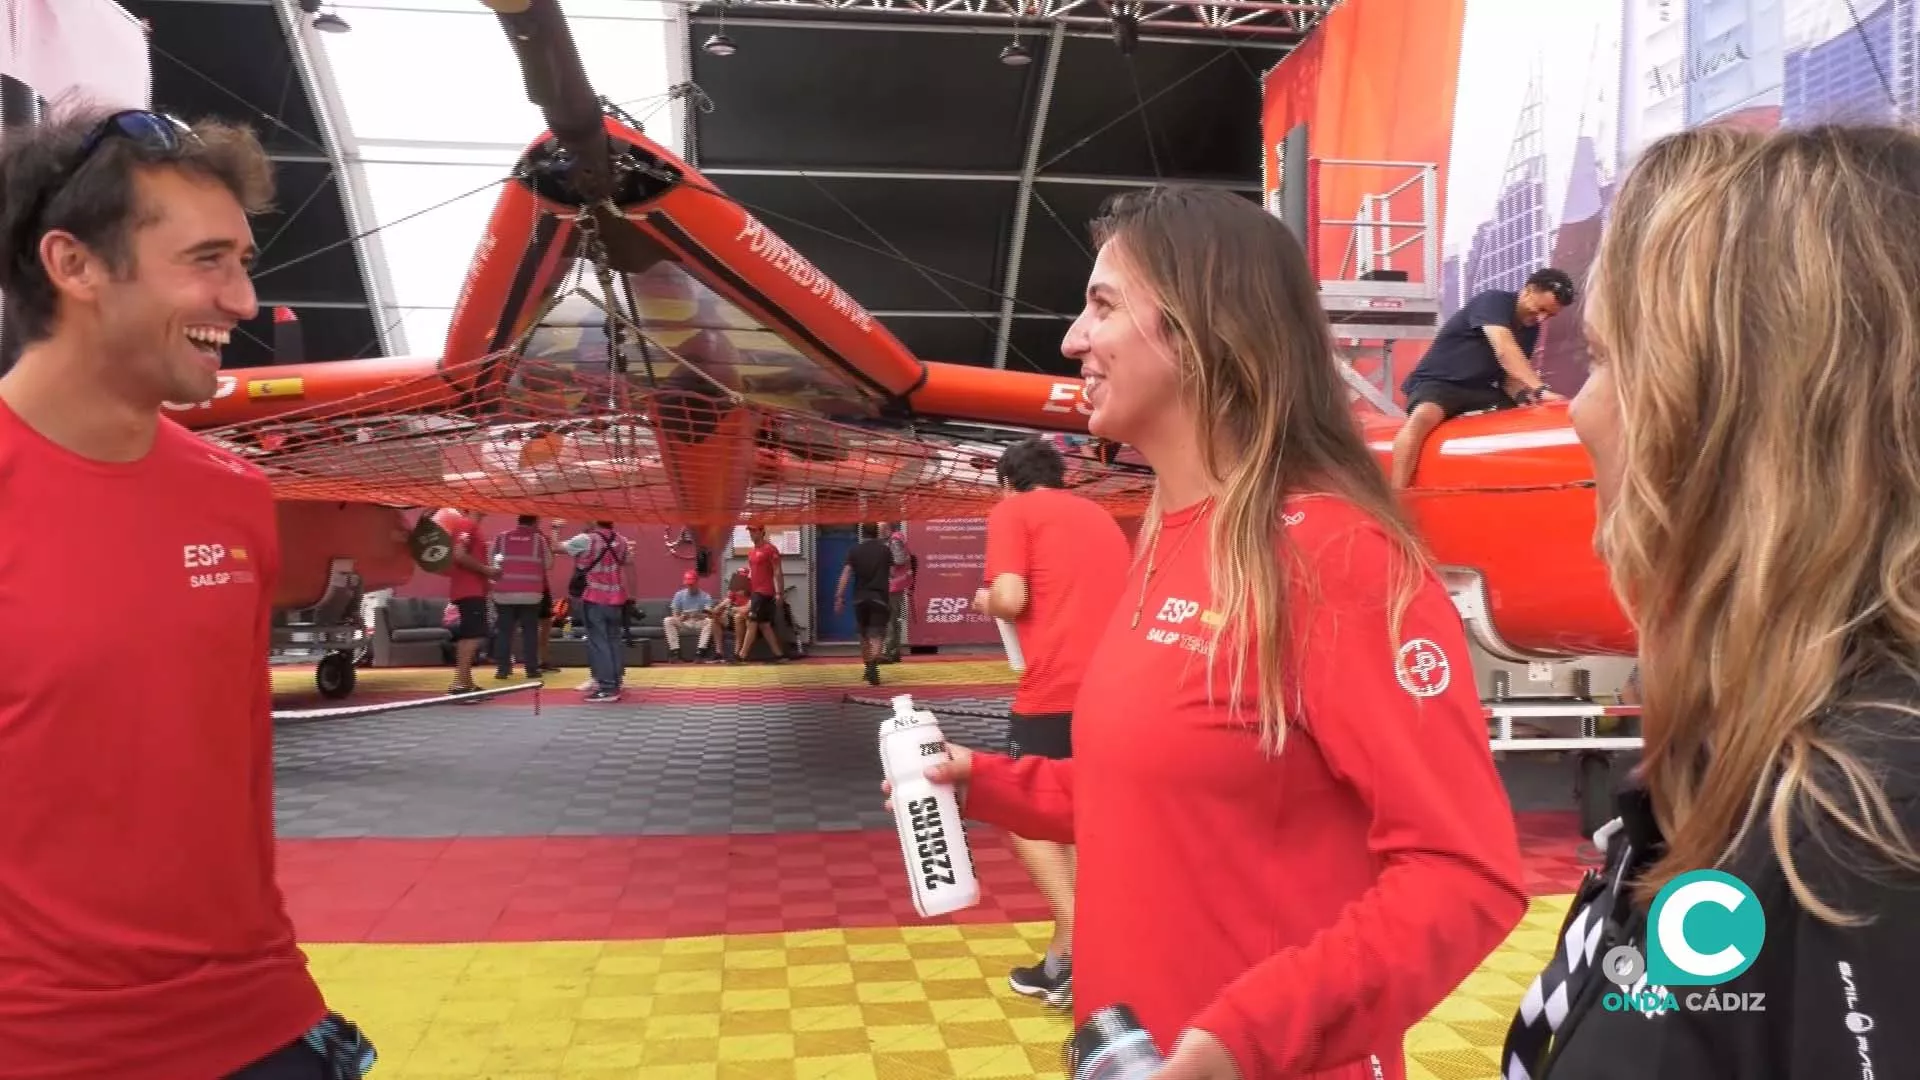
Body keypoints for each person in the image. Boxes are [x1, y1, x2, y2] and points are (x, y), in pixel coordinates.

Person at [888, 186, 1527, 1080]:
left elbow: (1466, 876)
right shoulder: (1164, 534)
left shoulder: (1337, 555)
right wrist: (985, 781)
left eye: (1103, 304)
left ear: (1196, 333)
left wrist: (1240, 1041)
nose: (1072, 339)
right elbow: (1159, 791)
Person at [1499, 123, 1920, 1080]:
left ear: (1739, 412)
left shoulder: (1862, 824)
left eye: (1607, 361)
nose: (1576, 408)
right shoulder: (1755, 765)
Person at [0, 108, 373, 1078]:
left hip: (261, 1025)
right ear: (73, 266)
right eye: (207, 260)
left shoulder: (237, 497)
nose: (243, 300)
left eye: (244, 261)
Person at [969, 434, 1130, 1003]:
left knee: (1026, 809)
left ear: (1007, 481)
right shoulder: (1098, 515)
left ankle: (1078, 943)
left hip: (1055, 686)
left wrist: (984, 599)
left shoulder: (1013, 510)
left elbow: (1010, 598)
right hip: (1119, 688)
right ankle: (1068, 955)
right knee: (1081, 816)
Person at [1390, 267, 1575, 488]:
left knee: (1521, 418)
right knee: (1423, 417)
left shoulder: (1530, 328)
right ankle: (1396, 494)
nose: (1541, 318)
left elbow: (1510, 378)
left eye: (1550, 315)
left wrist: (1526, 398)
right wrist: (1539, 389)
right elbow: (1504, 350)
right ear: (1528, 290)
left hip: (1479, 390)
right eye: (1540, 309)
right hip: (1439, 383)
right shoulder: (1493, 301)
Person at [563, 520, 633, 702]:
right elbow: (630, 564)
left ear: (594, 520)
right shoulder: (622, 541)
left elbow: (557, 547)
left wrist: (555, 529)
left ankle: (607, 688)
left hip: (594, 597)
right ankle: (616, 681)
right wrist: (633, 596)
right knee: (613, 641)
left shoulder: (586, 539)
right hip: (617, 598)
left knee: (598, 642)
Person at [488, 513, 552, 681]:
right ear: (535, 522)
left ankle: (503, 670)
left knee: (504, 632)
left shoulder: (501, 538)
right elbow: (549, 564)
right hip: (531, 594)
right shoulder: (539, 540)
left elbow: (491, 562)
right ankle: (531, 669)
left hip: (503, 593)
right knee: (530, 632)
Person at [835, 522, 896, 685]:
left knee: (863, 636)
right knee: (876, 636)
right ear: (877, 533)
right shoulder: (885, 550)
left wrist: (839, 597)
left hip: (859, 598)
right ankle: (872, 667)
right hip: (879, 598)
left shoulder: (854, 550)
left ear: (863, 533)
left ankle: (868, 666)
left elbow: (846, 573)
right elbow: (892, 573)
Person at [735, 523, 793, 663]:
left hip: (764, 592)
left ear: (762, 532)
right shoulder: (752, 552)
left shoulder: (770, 549)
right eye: (750, 531)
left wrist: (779, 593)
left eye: (754, 531)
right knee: (764, 625)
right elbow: (751, 574)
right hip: (756, 592)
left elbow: (778, 571)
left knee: (753, 621)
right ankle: (779, 655)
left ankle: (742, 655)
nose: (751, 533)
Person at [663, 569, 718, 660]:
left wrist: (699, 615)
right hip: (684, 623)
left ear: (697, 582)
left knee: (710, 621)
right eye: (688, 584)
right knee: (667, 620)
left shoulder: (705, 596)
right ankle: (675, 651)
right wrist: (680, 617)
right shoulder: (679, 595)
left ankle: (700, 652)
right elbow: (675, 614)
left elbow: (708, 614)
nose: (690, 586)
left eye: (692, 584)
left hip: (698, 622)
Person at [881, 523, 915, 662]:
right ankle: (894, 651)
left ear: (887, 529)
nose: (879, 532)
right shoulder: (898, 539)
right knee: (894, 619)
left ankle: (889, 652)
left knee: (890, 620)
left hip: (893, 585)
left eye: (880, 529)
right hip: (898, 583)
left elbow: (899, 559)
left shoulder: (895, 540)